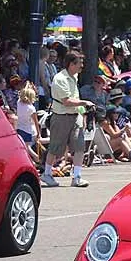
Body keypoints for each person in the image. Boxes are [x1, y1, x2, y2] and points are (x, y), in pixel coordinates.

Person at [43, 52, 94, 188]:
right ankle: (47, 174)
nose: (82, 66)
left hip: (75, 116)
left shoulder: (74, 77)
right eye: (79, 64)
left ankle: (77, 177)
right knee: (55, 148)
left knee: (80, 146)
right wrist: (85, 103)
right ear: (71, 64)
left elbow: (74, 97)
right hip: (61, 116)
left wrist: (82, 112)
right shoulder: (60, 79)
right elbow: (66, 101)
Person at [15, 83, 39, 148]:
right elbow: (36, 122)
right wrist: (38, 133)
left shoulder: (19, 103)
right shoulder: (31, 108)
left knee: (25, 147)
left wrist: (27, 84)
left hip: (20, 128)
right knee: (28, 148)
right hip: (28, 131)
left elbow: (24, 92)